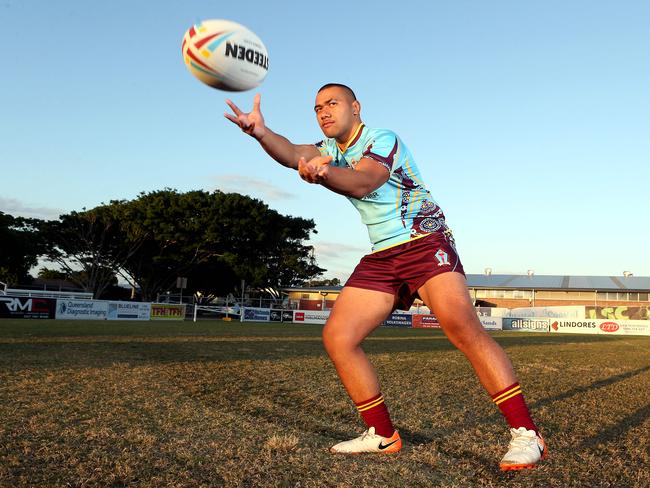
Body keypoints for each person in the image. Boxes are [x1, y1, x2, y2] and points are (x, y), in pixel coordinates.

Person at [225, 84, 546, 471]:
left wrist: (323, 175)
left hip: (424, 240)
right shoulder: (330, 150)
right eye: (317, 108)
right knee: (339, 338)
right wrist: (261, 132)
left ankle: (527, 434)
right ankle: (382, 435)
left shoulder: (381, 138)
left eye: (332, 103)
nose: (323, 112)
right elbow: (293, 153)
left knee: (462, 327)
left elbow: (364, 181)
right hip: (383, 254)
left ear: (356, 108)